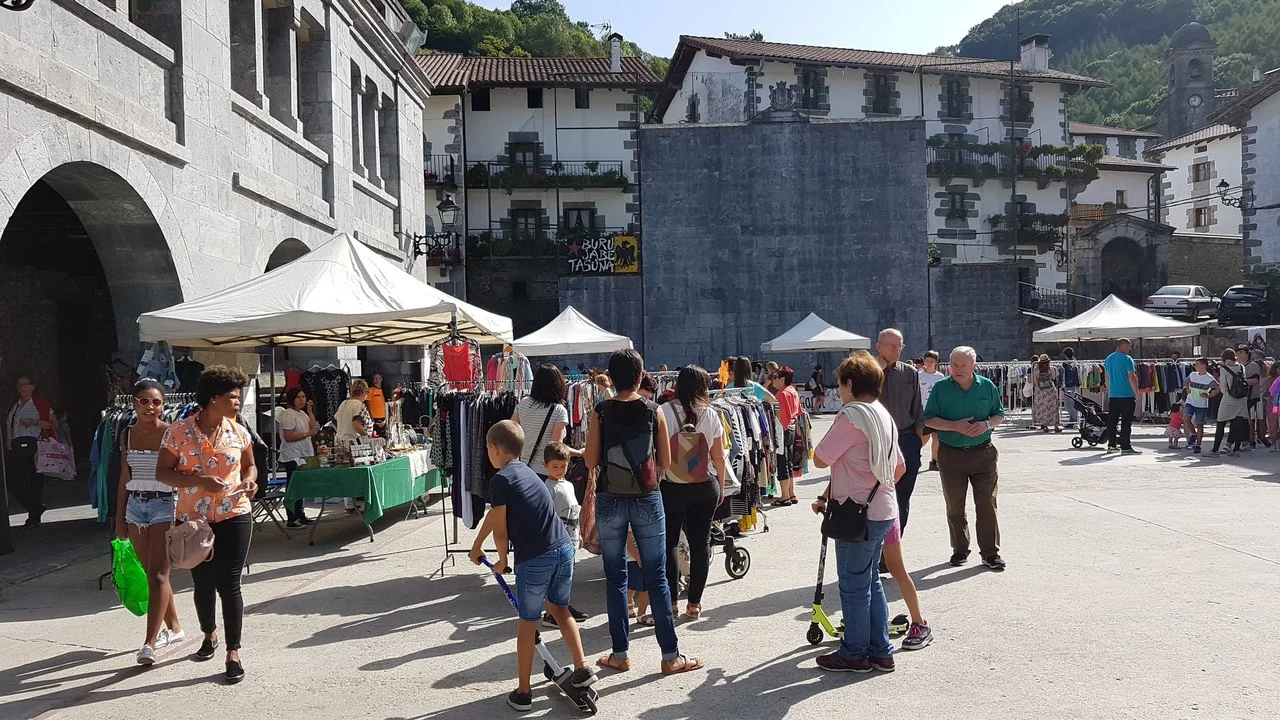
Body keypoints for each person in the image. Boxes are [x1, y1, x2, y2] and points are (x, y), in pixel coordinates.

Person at [586, 349, 701, 676]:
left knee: (615, 579)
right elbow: (665, 460)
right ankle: (670, 656)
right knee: (657, 576)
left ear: (611, 377)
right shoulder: (654, 411)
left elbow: (591, 460)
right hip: (647, 498)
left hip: (610, 499)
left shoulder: (600, 411)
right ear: (640, 376)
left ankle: (620, 654)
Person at [468, 420, 595, 712]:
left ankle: (524, 693)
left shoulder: (500, 480)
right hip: (563, 549)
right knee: (560, 609)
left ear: (494, 448)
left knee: (528, 624)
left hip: (535, 558)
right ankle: (582, 667)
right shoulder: (526, 471)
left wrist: (501, 560)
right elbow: (495, 517)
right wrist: (477, 545)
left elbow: (501, 527)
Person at [155, 365, 257, 685]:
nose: (237, 402)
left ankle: (233, 652)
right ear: (213, 398)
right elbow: (162, 473)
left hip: (235, 513)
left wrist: (250, 481)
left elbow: (250, 466)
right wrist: (199, 481)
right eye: (232, 397)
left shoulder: (238, 430)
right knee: (203, 583)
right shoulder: (178, 431)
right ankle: (209, 633)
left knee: (230, 583)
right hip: (193, 521)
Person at [811, 350, 906, 673]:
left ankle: (854, 653)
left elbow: (820, 458)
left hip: (856, 513)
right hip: (883, 509)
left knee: (853, 586)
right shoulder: (883, 415)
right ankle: (880, 650)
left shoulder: (852, 416)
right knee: (870, 581)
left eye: (840, 384)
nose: (839, 390)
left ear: (850, 384)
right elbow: (899, 467)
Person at [114, 379, 184, 665]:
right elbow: (124, 477)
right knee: (150, 573)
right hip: (135, 507)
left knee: (158, 574)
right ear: (134, 403)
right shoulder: (126, 434)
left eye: (156, 402)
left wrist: (181, 515)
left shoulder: (171, 433)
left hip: (164, 504)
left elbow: (180, 474)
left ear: (163, 405)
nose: (150, 407)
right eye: (144, 401)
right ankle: (175, 628)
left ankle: (149, 644)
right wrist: (119, 519)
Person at [924, 346, 1006, 571]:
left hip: (983, 454)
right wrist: (954, 426)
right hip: (951, 454)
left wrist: (986, 424)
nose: (958, 369)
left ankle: (990, 553)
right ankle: (960, 549)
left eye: (963, 365)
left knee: (987, 504)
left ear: (974, 366)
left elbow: (999, 414)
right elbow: (929, 419)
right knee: (955, 506)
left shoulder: (987, 386)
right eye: (954, 365)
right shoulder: (941, 388)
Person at [659, 366, 727, 621]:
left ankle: (671, 602)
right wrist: (721, 485)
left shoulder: (663, 411)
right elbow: (718, 456)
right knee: (701, 544)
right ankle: (694, 604)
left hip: (672, 485)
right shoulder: (710, 413)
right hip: (704, 485)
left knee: (670, 543)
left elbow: (658, 454)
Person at [875, 329, 924, 536]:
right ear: (878, 347)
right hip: (876, 442)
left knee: (901, 499)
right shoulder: (865, 372)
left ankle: (894, 545)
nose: (897, 350)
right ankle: (876, 546)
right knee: (877, 497)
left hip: (905, 440)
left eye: (900, 346)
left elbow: (918, 410)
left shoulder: (909, 373)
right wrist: (877, 370)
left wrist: (917, 443)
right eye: (892, 346)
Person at [539, 442, 588, 627]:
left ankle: (563, 606)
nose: (560, 470)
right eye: (555, 466)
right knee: (556, 578)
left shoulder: (568, 484)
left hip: (571, 538)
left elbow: (574, 511)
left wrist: (579, 534)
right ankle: (552, 613)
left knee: (566, 576)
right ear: (545, 465)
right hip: (557, 540)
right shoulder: (548, 488)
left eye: (563, 466)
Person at [512, 365, 578, 481]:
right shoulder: (558, 410)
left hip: (524, 469)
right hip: (545, 473)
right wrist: (580, 453)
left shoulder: (523, 403)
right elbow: (556, 448)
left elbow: (511, 432)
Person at [5, 374, 55, 527]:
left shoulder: (39, 403)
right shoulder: (16, 406)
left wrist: (35, 422)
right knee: (13, 483)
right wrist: (8, 445)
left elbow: (53, 424)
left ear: (32, 386)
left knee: (34, 483)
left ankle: (33, 516)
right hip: (17, 450)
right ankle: (35, 508)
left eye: (25, 384)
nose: (22, 388)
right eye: (19, 385)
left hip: (35, 450)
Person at [881, 517, 932, 650]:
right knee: (864, 572)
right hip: (860, 518)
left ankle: (919, 623)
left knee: (896, 568)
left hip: (883, 517)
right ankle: (865, 617)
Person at [277, 387, 319, 527]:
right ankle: (292, 517)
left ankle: (300, 514)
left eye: (303, 397)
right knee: (294, 486)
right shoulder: (288, 415)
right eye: (299, 397)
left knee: (301, 485)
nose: (302, 400)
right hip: (293, 455)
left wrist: (310, 411)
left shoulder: (302, 413)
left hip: (304, 454)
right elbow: (288, 436)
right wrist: (307, 434)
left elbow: (313, 427)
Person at [1101, 338, 1141, 455]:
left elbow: (1106, 377)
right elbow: (1132, 377)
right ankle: (1125, 446)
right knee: (1126, 422)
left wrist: (1110, 391)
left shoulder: (1108, 359)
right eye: (1129, 346)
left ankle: (1111, 445)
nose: (1130, 349)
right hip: (1127, 395)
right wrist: (1137, 393)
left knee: (1112, 421)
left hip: (1114, 395)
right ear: (1122, 345)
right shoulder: (1127, 359)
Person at [771, 366, 803, 507]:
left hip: (782, 430)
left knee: (782, 463)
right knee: (789, 462)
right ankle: (791, 493)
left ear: (782, 379)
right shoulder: (792, 391)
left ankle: (784, 496)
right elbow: (799, 411)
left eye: (775, 377)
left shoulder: (781, 394)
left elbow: (779, 416)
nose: (773, 380)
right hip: (791, 428)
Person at [1209, 349, 1249, 458]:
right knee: (1238, 425)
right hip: (1241, 399)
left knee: (1221, 424)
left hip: (1228, 399)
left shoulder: (1224, 369)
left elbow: (1223, 387)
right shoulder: (1241, 367)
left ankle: (1215, 450)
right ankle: (1236, 450)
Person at [917, 351, 946, 472]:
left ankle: (934, 461)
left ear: (936, 362)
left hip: (936, 411)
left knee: (937, 437)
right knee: (924, 437)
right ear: (924, 361)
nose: (929, 363)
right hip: (922, 410)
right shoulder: (918, 375)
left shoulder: (940, 377)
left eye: (932, 361)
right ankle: (915, 454)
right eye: (927, 361)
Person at [1183, 357, 1216, 454]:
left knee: (1199, 424)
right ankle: (1193, 434)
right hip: (1190, 401)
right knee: (1186, 418)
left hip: (1201, 404)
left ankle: (1198, 445)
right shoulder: (1193, 375)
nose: (1195, 366)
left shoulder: (1209, 378)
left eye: (1197, 364)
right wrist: (1188, 389)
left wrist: (1209, 395)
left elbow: (1218, 388)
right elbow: (1187, 382)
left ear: (1203, 365)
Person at [334, 379, 372, 444]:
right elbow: (356, 424)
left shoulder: (344, 403)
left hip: (339, 441)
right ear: (364, 392)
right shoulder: (359, 405)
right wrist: (367, 436)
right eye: (368, 392)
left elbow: (335, 422)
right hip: (352, 442)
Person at [1031, 354, 1061, 433]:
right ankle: (1055, 426)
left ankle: (1045, 426)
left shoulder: (1036, 369)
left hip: (1040, 390)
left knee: (1042, 407)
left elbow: (1035, 381)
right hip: (1050, 389)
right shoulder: (1051, 368)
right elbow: (1053, 378)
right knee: (1053, 407)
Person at [1242, 347, 1266, 449]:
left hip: (1256, 397)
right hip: (1260, 398)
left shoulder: (1252, 368)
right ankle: (1257, 438)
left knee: (1253, 419)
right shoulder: (1265, 372)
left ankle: (1254, 439)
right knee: (1258, 419)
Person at [1061, 348, 1081, 429]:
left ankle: (1074, 420)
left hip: (1069, 385)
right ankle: (1072, 420)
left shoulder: (1066, 364)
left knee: (1068, 404)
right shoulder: (1075, 363)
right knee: (1072, 403)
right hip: (1075, 385)